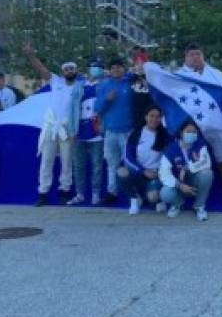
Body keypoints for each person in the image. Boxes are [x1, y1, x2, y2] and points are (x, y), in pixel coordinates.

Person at [177, 43, 222, 210]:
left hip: (216, 123)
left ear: (203, 56)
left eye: (198, 54)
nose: (195, 57)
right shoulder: (179, 76)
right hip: (191, 125)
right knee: (188, 157)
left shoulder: (215, 73)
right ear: (186, 58)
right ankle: (182, 196)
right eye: (191, 55)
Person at [24, 45, 83, 206]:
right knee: (46, 160)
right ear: (63, 72)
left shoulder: (81, 87)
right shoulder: (56, 81)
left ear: (76, 71)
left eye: (72, 69)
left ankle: (64, 191)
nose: (69, 71)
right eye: (66, 69)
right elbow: (41, 69)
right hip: (51, 127)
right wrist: (31, 55)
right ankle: (43, 193)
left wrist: (75, 130)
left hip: (68, 129)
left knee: (66, 161)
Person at [95, 56, 134, 205]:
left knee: (130, 163)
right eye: (113, 67)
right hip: (110, 131)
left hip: (128, 130)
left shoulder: (131, 83)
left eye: (119, 66)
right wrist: (106, 99)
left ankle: (133, 193)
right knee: (112, 164)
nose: (116, 69)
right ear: (110, 71)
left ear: (123, 68)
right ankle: (112, 192)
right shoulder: (104, 86)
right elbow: (97, 108)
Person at [118, 106, 170, 215]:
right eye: (151, 116)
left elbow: (170, 157)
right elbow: (128, 157)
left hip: (156, 174)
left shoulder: (165, 135)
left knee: (153, 198)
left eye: (158, 116)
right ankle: (134, 199)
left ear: (161, 119)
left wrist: (160, 172)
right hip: (139, 171)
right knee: (121, 172)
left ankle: (159, 199)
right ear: (146, 117)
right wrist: (143, 170)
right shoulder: (136, 133)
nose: (154, 119)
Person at [159, 120, 213, 221]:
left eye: (194, 132)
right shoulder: (171, 149)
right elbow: (163, 173)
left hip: (193, 180)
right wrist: (179, 185)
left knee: (207, 174)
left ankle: (199, 206)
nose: (191, 134)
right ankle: (178, 204)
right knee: (165, 193)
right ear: (181, 132)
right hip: (178, 183)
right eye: (188, 131)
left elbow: (206, 163)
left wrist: (187, 168)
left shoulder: (200, 144)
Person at [69, 57, 105, 206]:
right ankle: (80, 194)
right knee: (78, 165)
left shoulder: (105, 85)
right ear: (89, 69)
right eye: (94, 66)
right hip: (80, 130)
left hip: (97, 130)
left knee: (97, 165)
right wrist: (72, 130)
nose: (96, 69)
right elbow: (72, 109)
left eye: (99, 67)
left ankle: (96, 194)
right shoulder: (79, 86)